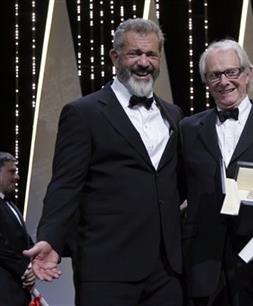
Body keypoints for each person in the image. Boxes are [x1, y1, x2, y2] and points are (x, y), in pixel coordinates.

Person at [23, 18, 183, 306]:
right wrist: (51, 238)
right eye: (135, 53)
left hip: (167, 270)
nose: (144, 62)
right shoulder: (83, 113)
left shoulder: (174, 115)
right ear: (115, 57)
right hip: (107, 266)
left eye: (151, 54)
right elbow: (65, 185)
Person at [180, 39, 253, 306]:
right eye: (214, 75)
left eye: (231, 72)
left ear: (247, 74)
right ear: (206, 82)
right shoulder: (188, 128)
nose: (224, 81)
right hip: (204, 265)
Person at [0, 152, 35, 305]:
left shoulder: (11, 205)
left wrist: (37, 263)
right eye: (12, 171)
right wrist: (26, 270)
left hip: (18, 292)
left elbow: (24, 240)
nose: (17, 177)